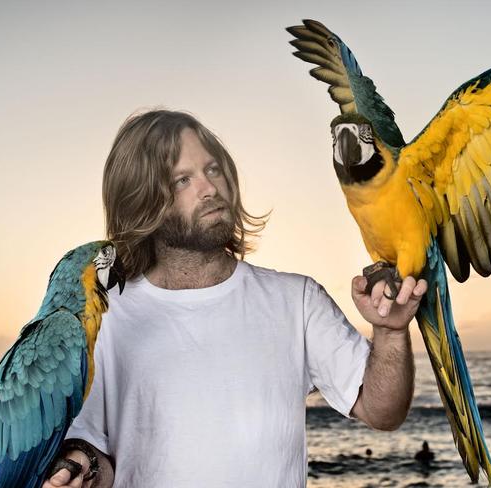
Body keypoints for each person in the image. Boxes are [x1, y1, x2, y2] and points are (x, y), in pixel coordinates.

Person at [42, 109, 427, 488]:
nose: (209, 188)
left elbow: (382, 410)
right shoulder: (107, 318)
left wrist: (390, 333)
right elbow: (95, 452)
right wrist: (81, 469)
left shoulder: (297, 301)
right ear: (141, 202)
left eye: (213, 169)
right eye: (181, 181)